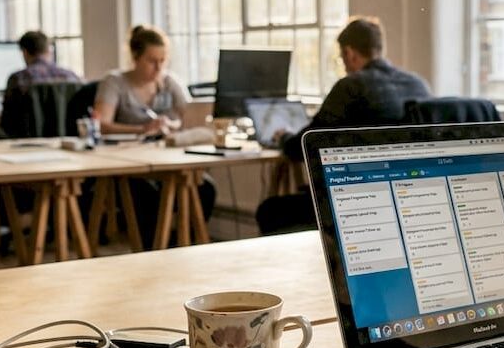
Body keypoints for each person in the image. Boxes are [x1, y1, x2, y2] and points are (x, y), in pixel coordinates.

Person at [257, 17, 432, 234]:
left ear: (349, 53)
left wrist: (283, 137)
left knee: (269, 211)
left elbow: (303, 146)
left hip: (358, 203)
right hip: (411, 200)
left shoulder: (350, 87)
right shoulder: (418, 84)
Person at [94, 25, 215, 246]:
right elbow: (101, 125)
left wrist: (171, 124)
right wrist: (142, 129)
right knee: (147, 193)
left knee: (205, 188)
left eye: (162, 60)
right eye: (151, 61)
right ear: (135, 57)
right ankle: (154, 247)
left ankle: (182, 244)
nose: (158, 67)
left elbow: (191, 117)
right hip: (129, 161)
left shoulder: (169, 82)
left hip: (166, 157)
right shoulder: (115, 82)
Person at [0, 30, 82, 137]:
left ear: (24, 52)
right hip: (67, 141)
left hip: (28, 143)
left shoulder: (18, 79)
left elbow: (7, 123)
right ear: (48, 50)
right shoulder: (72, 77)